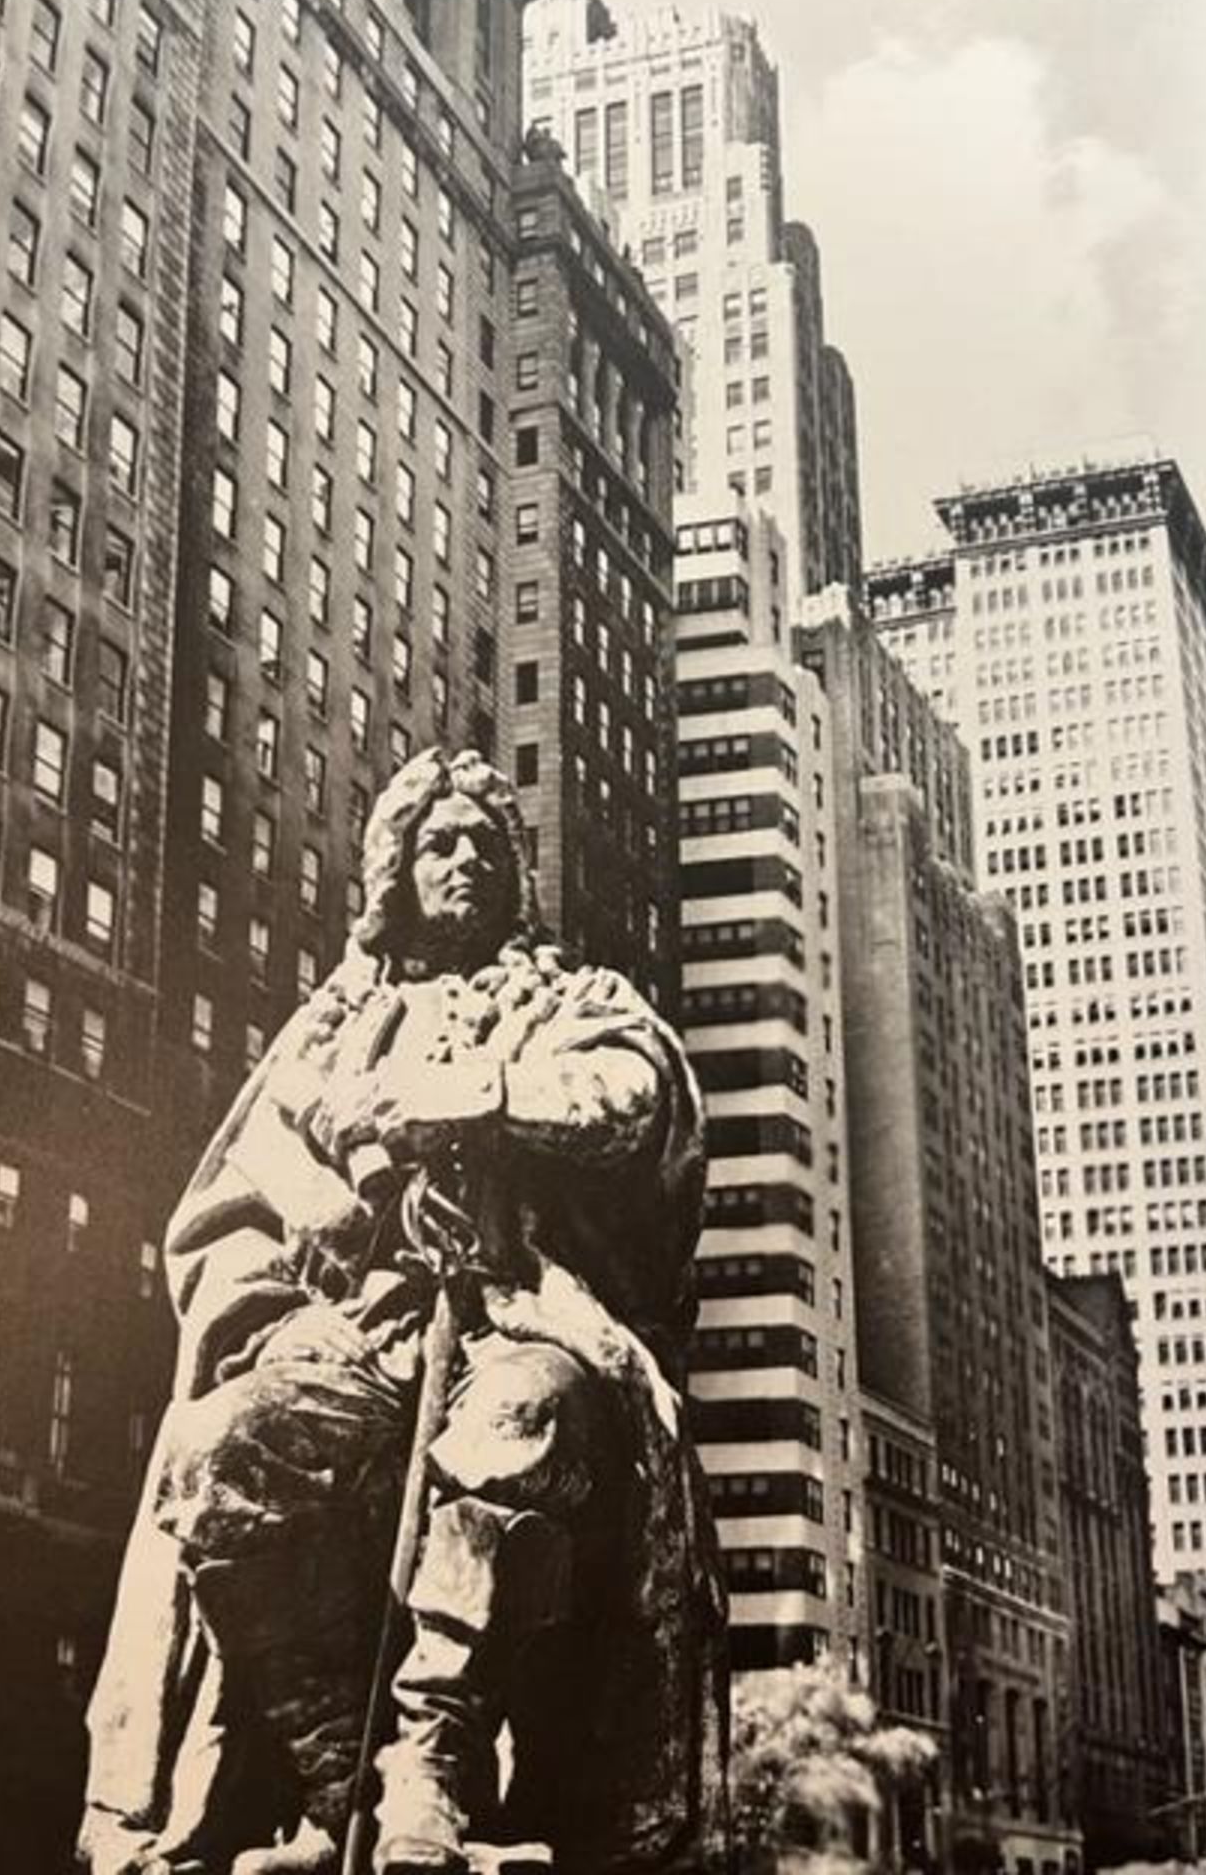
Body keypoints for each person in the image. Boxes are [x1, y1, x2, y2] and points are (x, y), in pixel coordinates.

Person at [79, 748, 730, 1875]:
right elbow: (235, 1189)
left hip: (520, 1314)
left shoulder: (570, 998)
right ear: (397, 869)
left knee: (523, 1420)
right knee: (214, 1451)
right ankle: (342, 1782)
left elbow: (634, 1100)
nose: (466, 857)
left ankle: (433, 1757)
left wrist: (473, 1101)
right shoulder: (333, 1023)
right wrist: (322, 1214)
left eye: (486, 842)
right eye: (440, 841)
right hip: (357, 1324)